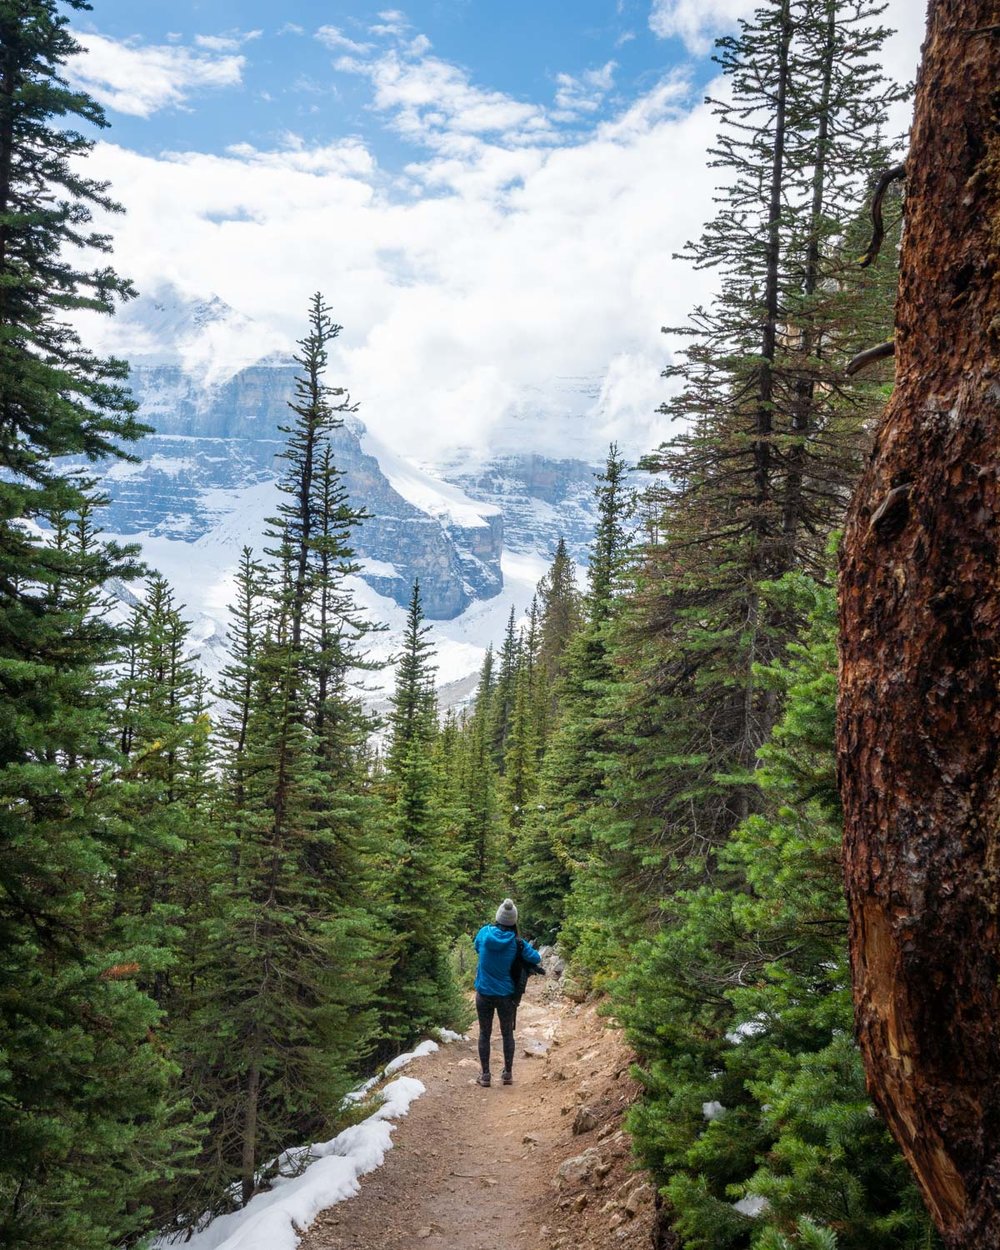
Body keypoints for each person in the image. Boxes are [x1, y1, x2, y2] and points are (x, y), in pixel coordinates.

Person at [472, 897, 542, 1087]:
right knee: (507, 1034)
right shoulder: (517, 942)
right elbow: (536, 958)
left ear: (498, 917)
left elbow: (476, 947)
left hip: (483, 993)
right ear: (513, 921)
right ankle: (507, 1074)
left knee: (484, 1033)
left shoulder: (484, 933)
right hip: (506, 996)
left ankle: (485, 1075)